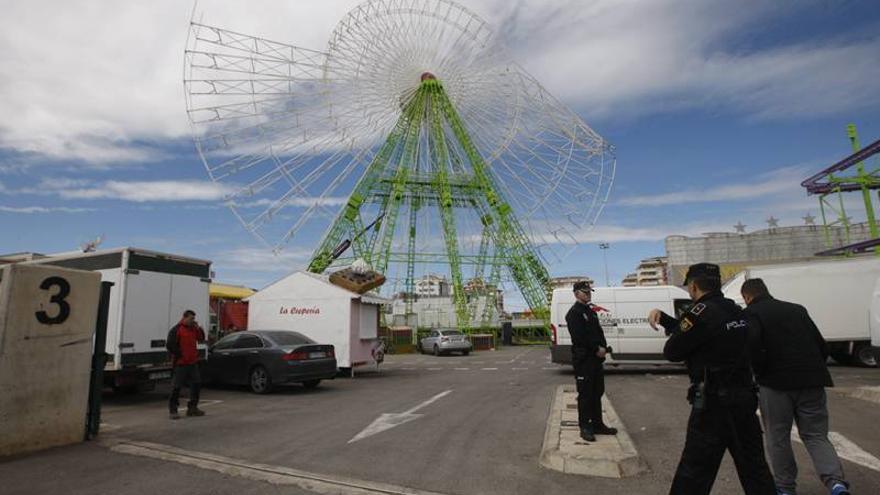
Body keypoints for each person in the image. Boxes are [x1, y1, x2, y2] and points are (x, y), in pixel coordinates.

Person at [648, 263, 775, 495]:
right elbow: (711, 334)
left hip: (713, 404)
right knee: (754, 467)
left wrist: (677, 328)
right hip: (745, 399)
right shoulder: (738, 311)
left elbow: (673, 351)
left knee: (694, 471)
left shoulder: (699, 313)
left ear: (694, 286)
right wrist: (667, 320)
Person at [742, 278, 851, 495]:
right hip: (812, 381)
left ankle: (785, 488)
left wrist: (758, 373)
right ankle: (835, 483)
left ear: (747, 297)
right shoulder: (797, 310)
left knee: (777, 436)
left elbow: (752, 348)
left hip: (775, 384)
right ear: (766, 291)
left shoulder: (751, 314)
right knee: (816, 435)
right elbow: (821, 345)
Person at [565, 280, 617, 442]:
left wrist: (603, 347)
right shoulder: (574, 313)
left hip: (595, 360)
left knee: (597, 392)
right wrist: (596, 349)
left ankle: (597, 424)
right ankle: (585, 427)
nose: (588, 293)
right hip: (584, 360)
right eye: (584, 291)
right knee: (585, 395)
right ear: (576, 293)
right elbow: (580, 338)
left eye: (589, 291)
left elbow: (597, 333)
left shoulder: (590, 311)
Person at [166, 309, 206, 420]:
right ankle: (173, 410)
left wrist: (199, 328)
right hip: (181, 363)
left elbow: (201, 338)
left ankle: (192, 408)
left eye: (194, 319)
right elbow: (170, 344)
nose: (193, 321)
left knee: (196, 384)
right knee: (176, 387)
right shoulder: (177, 329)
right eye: (191, 318)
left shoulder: (193, 329)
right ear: (185, 317)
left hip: (192, 362)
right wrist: (180, 354)